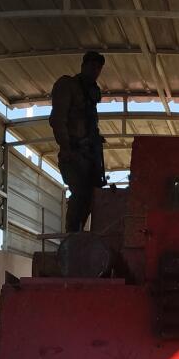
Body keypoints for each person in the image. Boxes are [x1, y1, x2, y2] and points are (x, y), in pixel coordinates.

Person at [50, 51, 107, 232]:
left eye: (98, 68)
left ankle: (80, 235)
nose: (95, 70)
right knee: (80, 193)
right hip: (74, 152)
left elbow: (89, 124)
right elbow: (58, 119)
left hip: (90, 155)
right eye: (91, 66)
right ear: (83, 66)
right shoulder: (68, 85)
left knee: (93, 197)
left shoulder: (90, 94)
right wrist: (66, 147)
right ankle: (73, 236)